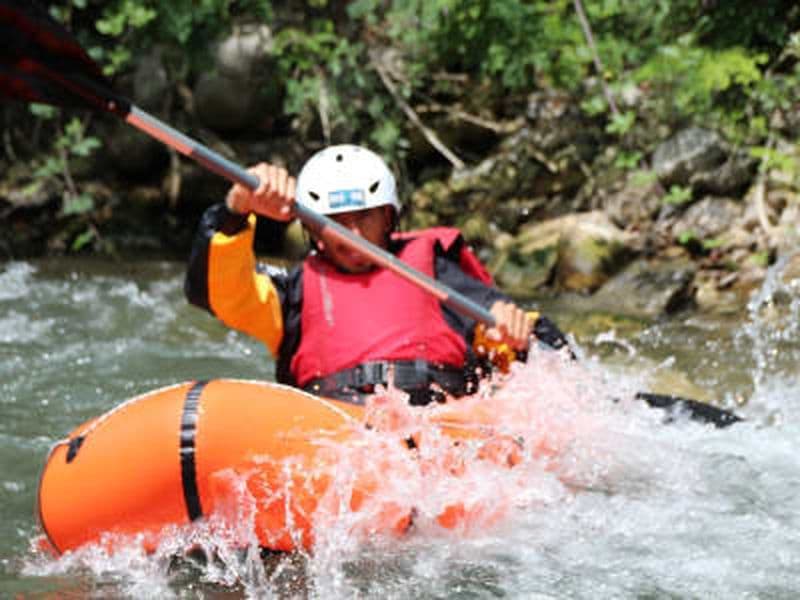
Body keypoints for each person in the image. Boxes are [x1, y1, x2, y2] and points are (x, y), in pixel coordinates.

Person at [185, 144, 570, 405]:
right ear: (312, 228)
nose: (352, 235)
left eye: (364, 217)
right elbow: (217, 293)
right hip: (339, 433)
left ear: (388, 216)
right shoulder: (291, 294)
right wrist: (235, 211)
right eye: (335, 222)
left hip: (436, 426)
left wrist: (513, 336)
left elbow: (498, 328)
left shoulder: (435, 271)